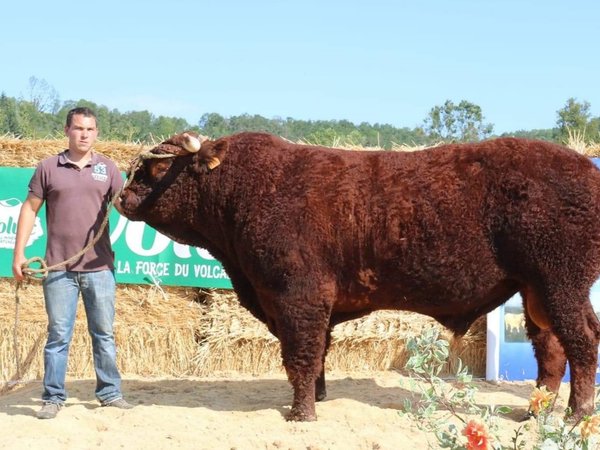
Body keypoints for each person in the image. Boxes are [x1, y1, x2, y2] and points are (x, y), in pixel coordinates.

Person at [12, 106, 133, 419]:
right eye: (79, 128)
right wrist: (18, 254)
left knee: (103, 333)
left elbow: (126, 205)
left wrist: (138, 184)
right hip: (58, 269)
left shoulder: (108, 168)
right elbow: (29, 209)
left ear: (97, 133)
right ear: (67, 130)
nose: (84, 134)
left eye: (90, 129)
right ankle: (53, 398)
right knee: (58, 336)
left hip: (100, 267)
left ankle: (110, 393)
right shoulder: (48, 168)